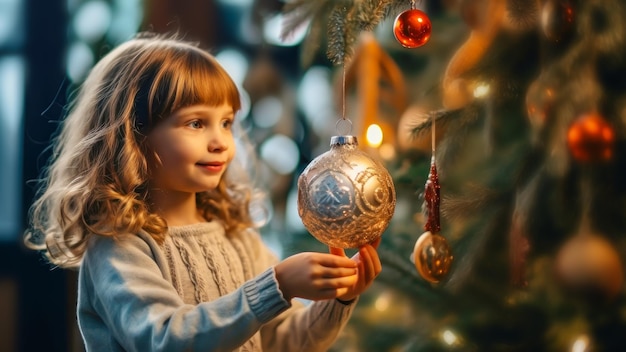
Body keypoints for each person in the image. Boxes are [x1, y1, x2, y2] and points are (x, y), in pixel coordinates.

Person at [24, 33, 382, 352]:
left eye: (226, 122)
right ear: (132, 136)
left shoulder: (236, 235)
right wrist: (277, 286)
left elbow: (283, 341)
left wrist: (339, 300)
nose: (220, 142)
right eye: (196, 123)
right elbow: (164, 339)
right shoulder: (119, 245)